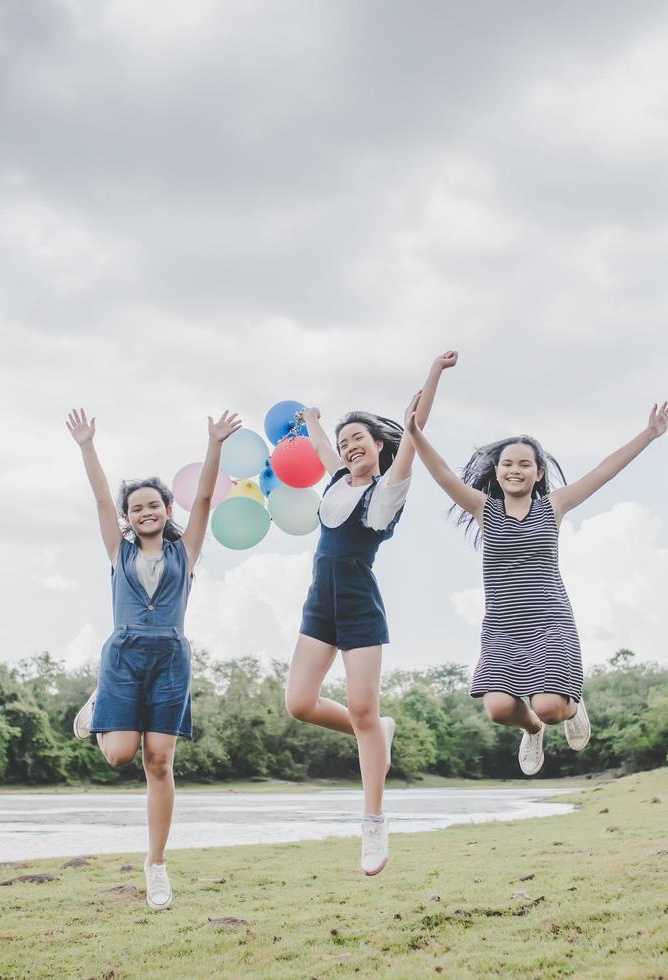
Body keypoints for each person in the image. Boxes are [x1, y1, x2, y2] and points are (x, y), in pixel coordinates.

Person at [405, 397, 668, 775]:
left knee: (550, 705)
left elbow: (604, 470)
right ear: (497, 472)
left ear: (539, 473)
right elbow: (445, 474)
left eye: (524, 464)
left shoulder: (554, 506)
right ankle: (533, 731)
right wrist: (414, 433)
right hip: (503, 627)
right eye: (508, 464)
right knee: (499, 709)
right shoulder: (484, 508)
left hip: (549, 622)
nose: (515, 470)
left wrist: (648, 434)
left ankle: (574, 708)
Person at [284, 351, 459, 876]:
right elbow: (320, 446)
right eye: (344, 443)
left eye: (358, 439)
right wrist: (314, 420)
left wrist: (433, 375)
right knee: (299, 703)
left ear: (379, 445)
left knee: (360, 713)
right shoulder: (337, 482)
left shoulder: (390, 488)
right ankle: (379, 729)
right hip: (319, 603)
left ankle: (374, 822)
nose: (348, 447)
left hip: (360, 605)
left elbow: (416, 428)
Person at [66, 407, 241, 910]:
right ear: (128, 517)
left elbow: (206, 497)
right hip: (121, 656)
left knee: (158, 762)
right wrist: (86, 445)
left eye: (154, 505)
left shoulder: (186, 552)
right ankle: (100, 709)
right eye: (137, 508)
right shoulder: (117, 552)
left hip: (170, 657)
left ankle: (156, 865)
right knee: (119, 754)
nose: (146, 512)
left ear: (167, 509)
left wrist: (214, 444)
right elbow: (101, 496)